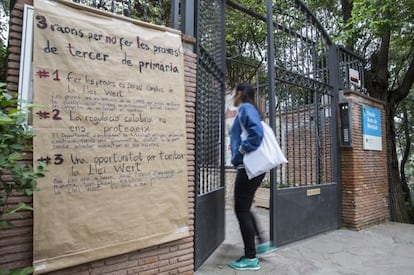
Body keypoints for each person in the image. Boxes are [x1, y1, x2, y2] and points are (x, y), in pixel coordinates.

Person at [228, 83, 276, 271]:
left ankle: (250, 257)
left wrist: (242, 149)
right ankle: (261, 243)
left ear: (239, 94)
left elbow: (256, 133)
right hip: (253, 167)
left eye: (234, 92)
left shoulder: (246, 108)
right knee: (245, 208)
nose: (233, 95)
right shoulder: (251, 109)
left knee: (240, 209)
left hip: (247, 167)